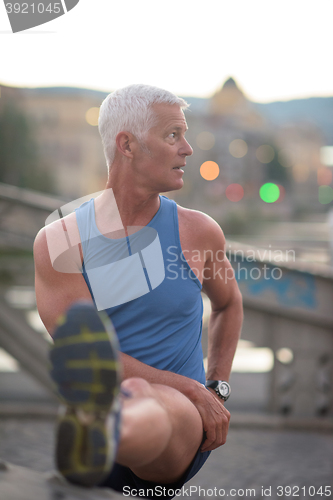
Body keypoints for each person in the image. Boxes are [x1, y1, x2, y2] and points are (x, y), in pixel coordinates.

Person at [34, 84, 243, 498]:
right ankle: (101, 430)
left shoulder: (198, 231)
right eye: (172, 135)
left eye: (185, 135)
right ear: (126, 144)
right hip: (112, 409)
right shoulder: (60, 242)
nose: (187, 149)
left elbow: (229, 304)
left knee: (144, 395)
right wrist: (191, 386)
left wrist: (214, 387)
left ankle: (108, 431)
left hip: (184, 424)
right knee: (129, 392)